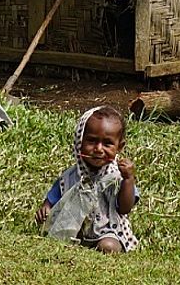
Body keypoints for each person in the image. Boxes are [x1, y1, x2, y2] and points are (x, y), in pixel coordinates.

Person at [35, 105, 138, 253]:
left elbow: (125, 208)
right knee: (57, 240)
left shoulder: (118, 176)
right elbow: (55, 195)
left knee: (107, 246)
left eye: (107, 143)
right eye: (91, 141)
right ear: (79, 141)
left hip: (107, 231)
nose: (98, 149)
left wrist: (128, 179)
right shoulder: (71, 176)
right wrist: (46, 208)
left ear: (119, 147)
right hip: (74, 230)